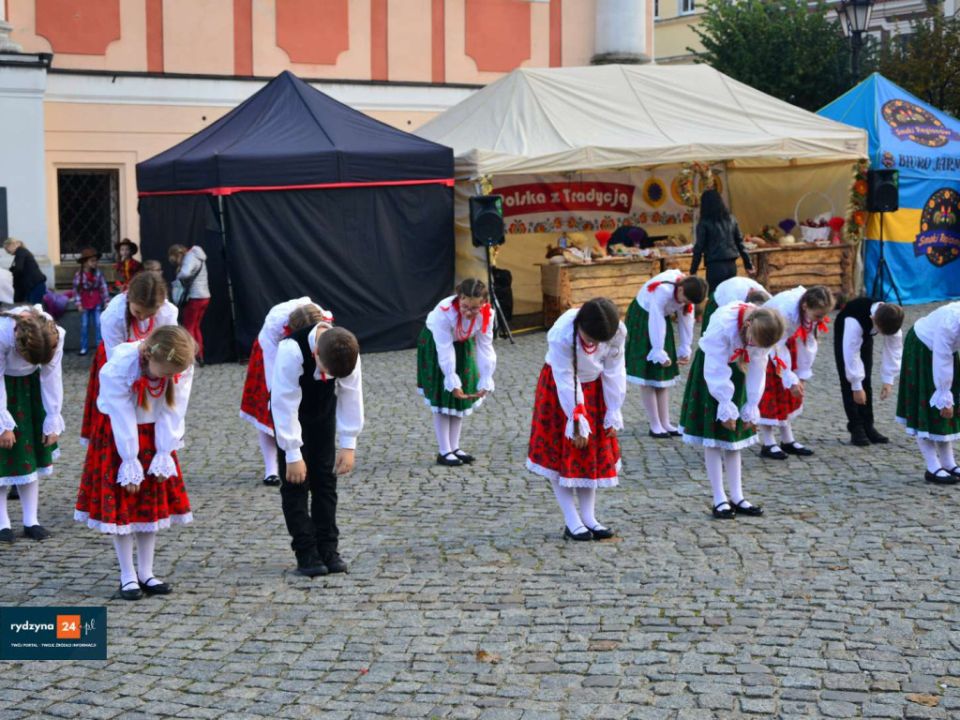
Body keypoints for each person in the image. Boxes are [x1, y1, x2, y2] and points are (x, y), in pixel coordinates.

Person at [74, 326, 196, 600]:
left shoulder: (180, 364)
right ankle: (127, 574)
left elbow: (175, 409)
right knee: (123, 506)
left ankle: (146, 572)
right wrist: (129, 461)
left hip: (154, 435)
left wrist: (164, 451)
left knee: (149, 505)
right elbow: (121, 414)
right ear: (150, 357)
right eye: (165, 373)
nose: (169, 378)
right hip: (121, 436)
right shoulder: (119, 368)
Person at [527, 298, 626, 541]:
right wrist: (577, 418)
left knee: (590, 453)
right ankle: (572, 520)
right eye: (590, 338)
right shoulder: (562, 334)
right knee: (562, 453)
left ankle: (589, 517)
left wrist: (613, 409)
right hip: (562, 391)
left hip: (594, 388)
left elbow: (614, 369)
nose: (594, 344)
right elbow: (565, 377)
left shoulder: (617, 331)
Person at [272, 318, 363, 577]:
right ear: (315, 353)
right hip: (292, 417)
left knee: (325, 480)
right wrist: (292, 453)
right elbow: (284, 402)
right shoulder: (291, 350)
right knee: (296, 483)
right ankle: (306, 551)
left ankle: (328, 548)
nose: (327, 376)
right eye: (325, 370)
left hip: (323, 414)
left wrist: (348, 444)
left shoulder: (348, 349)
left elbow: (351, 394)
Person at [679, 303, 785, 519]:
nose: (755, 346)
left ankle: (737, 496)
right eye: (753, 342)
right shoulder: (723, 326)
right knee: (714, 437)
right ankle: (719, 498)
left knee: (735, 437)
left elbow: (758, 365)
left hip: (738, 371)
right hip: (713, 373)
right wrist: (725, 402)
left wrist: (752, 404)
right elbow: (716, 366)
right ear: (747, 326)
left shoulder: (763, 331)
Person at [80, 272, 178, 447]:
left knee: (154, 410)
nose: (142, 317)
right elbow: (116, 362)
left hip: (154, 362)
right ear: (129, 298)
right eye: (138, 312)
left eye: (149, 314)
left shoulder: (166, 312)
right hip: (116, 362)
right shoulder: (114, 316)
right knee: (119, 410)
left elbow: (170, 343)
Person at [240, 298, 330, 486]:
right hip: (270, 353)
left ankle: (307, 457)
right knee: (269, 409)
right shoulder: (274, 327)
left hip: (307, 354)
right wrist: (273, 397)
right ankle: (271, 469)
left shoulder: (324, 325)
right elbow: (276, 375)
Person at [0, 306, 64, 543]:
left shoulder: (51, 333)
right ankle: (2, 522)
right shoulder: (2, 335)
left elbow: (51, 376)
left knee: (30, 455)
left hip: (30, 391)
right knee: (3, 458)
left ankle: (31, 520)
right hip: (4, 392)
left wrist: (53, 418)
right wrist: (3, 423)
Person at [417, 279, 496, 466]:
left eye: (474, 308)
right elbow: (444, 348)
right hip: (436, 345)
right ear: (459, 298)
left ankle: (455, 447)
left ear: (484, 303)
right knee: (445, 396)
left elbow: (485, 346)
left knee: (462, 394)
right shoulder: (444, 312)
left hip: (462, 343)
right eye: (465, 307)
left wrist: (486, 377)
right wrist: (451, 378)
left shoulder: (487, 315)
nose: (468, 312)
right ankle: (444, 450)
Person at [625, 269, 708, 438]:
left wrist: (685, 346)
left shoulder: (689, 293)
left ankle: (665, 422)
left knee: (663, 375)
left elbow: (686, 319)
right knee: (648, 374)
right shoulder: (662, 290)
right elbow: (655, 318)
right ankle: (655, 424)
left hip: (661, 319)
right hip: (644, 318)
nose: (684, 303)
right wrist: (657, 350)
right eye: (684, 300)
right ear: (680, 289)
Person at [757, 285, 835, 459]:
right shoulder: (785, 312)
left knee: (786, 394)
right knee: (770, 392)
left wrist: (801, 374)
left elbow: (809, 342)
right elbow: (775, 347)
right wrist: (789, 378)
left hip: (785, 345)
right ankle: (768, 442)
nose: (820, 320)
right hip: (767, 344)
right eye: (818, 316)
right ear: (805, 306)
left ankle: (787, 439)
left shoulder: (808, 313)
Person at [895, 302, 960, 484]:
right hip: (922, 348)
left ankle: (948, 463)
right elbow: (942, 357)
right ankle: (932, 466)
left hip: (946, 351)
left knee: (947, 412)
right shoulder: (950, 323)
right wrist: (944, 395)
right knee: (929, 407)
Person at [834, 298, 904, 446]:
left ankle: (868, 425)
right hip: (845, 333)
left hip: (866, 332)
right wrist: (856, 386)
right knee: (849, 382)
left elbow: (894, 349)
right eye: (880, 331)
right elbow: (851, 355)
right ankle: (856, 427)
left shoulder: (892, 318)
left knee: (866, 378)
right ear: (873, 319)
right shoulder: (853, 323)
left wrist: (888, 380)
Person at [690, 189, 756, 292]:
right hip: (731, 265)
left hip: (714, 266)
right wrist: (748, 264)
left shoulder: (704, 222)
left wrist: (693, 270)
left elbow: (699, 247)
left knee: (715, 296)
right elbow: (740, 243)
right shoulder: (731, 219)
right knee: (730, 295)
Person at [168, 244, 210, 362]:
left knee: (189, 327)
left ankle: (191, 356)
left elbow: (185, 273)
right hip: (205, 296)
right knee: (196, 327)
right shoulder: (198, 256)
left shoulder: (189, 257)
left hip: (194, 297)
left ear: (178, 254)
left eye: (175, 259)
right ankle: (200, 355)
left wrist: (179, 274)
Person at [72, 247, 111, 356]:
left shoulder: (98, 274)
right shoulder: (79, 275)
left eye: (96, 261)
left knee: (98, 324)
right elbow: (76, 290)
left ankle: (99, 347)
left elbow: (103, 287)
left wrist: (106, 300)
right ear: (85, 262)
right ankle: (84, 347)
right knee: (84, 325)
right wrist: (78, 303)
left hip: (96, 300)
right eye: (92, 261)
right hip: (85, 301)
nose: (95, 263)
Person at [700, 276, 770, 333]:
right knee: (708, 331)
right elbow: (731, 323)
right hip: (717, 301)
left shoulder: (766, 296)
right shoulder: (733, 298)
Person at [3, 238, 47, 305]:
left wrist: (11, 276)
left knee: (34, 307)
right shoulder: (21, 253)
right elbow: (17, 268)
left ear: (11, 245)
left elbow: (18, 269)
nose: (7, 252)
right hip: (33, 284)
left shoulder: (21, 252)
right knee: (31, 306)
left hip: (35, 285)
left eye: (6, 249)